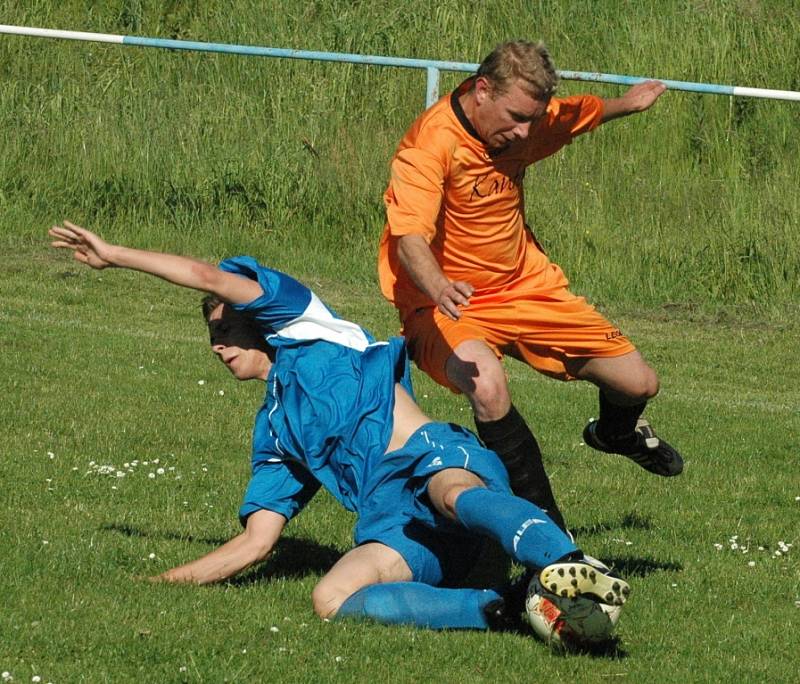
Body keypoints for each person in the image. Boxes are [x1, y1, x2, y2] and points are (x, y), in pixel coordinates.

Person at [49, 220, 630, 634]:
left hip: (433, 457)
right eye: (212, 338)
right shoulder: (274, 431)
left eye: (227, 331)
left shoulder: (308, 327)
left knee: (452, 494)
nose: (219, 346)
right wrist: (161, 583)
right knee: (330, 598)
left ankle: (566, 563)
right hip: (393, 521)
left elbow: (209, 274)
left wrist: (116, 255)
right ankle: (502, 608)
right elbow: (257, 542)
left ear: (258, 322)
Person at [378, 40, 684, 533]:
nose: (524, 132)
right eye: (517, 117)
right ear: (482, 90)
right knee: (488, 385)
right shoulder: (430, 143)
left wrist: (628, 103)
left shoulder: (527, 122)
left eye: (532, 119)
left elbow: (577, 114)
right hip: (448, 303)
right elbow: (410, 235)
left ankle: (615, 434)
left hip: (526, 287)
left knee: (638, 382)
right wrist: (437, 285)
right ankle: (548, 537)